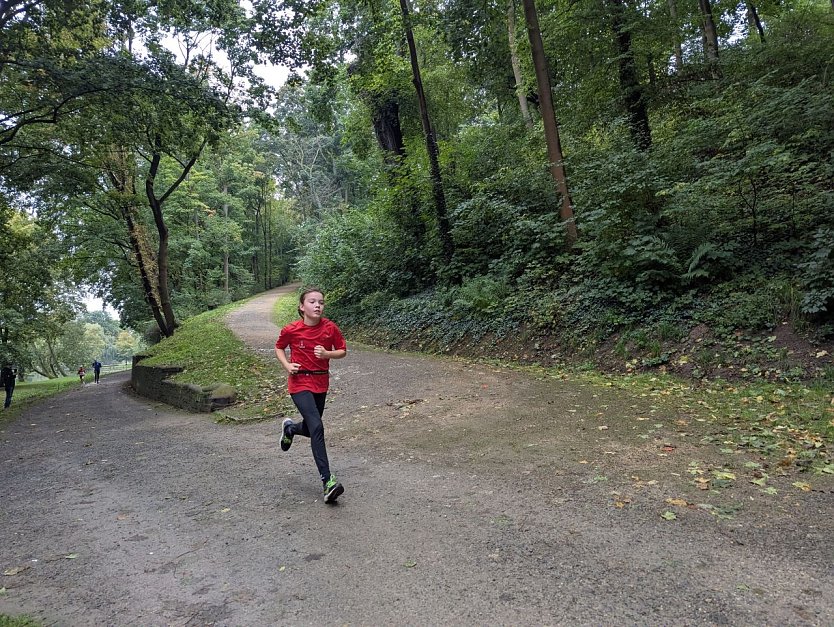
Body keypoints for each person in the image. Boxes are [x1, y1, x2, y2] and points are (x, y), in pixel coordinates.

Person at [275, 287, 347, 503]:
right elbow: (279, 347)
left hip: (320, 381)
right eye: (313, 302)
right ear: (301, 306)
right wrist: (287, 365)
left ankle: (291, 428)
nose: (318, 305)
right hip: (299, 383)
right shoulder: (291, 329)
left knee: (309, 427)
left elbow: (342, 350)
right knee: (317, 427)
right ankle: (328, 481)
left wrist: (327, 353)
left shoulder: (330, 328)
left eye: (321, 302)